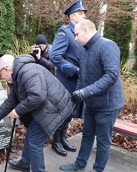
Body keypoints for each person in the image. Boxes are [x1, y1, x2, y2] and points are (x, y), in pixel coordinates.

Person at [0, 54, 74, 172]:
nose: (1, 77)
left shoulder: (27, 71)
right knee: (32, 134)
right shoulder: (19, 74)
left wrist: (18, 110)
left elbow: (38, 96)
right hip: (49, 108)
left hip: (55, 109)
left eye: (0, 74)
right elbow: (11, 101)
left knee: (34, 141)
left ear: (6, 68)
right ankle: (25, 163)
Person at [60, 19, 124, 172]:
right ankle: (80, 163)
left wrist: (85, 92)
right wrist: (77, 95)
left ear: (86, 30)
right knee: (87, 135)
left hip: (108, 105)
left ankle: (97, 169)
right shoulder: (85, 50)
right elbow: (83, 76)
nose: (75, 39)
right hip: (92, 103)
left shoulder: (107, 46)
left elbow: (111, 76)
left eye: (76, 35)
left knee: (103, 140)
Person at [49, 0, 87, 156]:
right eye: (80, 13)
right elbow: (55, 56)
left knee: (71, 111)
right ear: (72, 16)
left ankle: (63, 138)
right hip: (66, 79)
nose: (84, 15)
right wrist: (74, 70)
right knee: (62, 110)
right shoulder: (64, 32)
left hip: (78, 79)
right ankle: (55, 141)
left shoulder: (82, 32)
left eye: (83, 13)